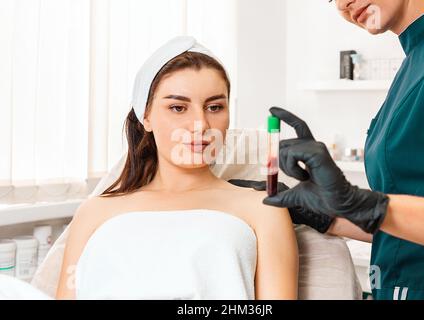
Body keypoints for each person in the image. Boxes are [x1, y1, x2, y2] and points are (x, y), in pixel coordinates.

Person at [233, 0, 424, 300]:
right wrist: (323, 211)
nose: (344, 3)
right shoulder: (417, 55)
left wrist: (363, 204)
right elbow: (409, 229)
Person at [56, 37, 298, 300]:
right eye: (178, 108)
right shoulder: (95, 211)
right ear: (145, 116)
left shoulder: (262, 208)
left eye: (214, 107)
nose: (200, 124)